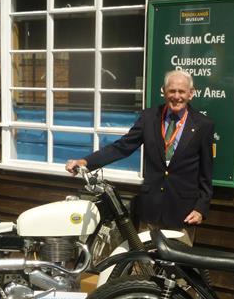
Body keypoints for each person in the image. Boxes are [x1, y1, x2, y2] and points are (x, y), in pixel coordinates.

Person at [65, 70, 214, 235]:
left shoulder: (203, 125)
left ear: (191, 94)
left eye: (181, 91)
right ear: (163, 91)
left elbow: (206, 172)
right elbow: (122, 147)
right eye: (172, 91)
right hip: (150, 209)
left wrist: (201, 208)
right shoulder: (149, 118)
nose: (176, 96)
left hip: (183, 213)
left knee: (178, 260)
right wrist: (86, 162)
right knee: (145, 260)